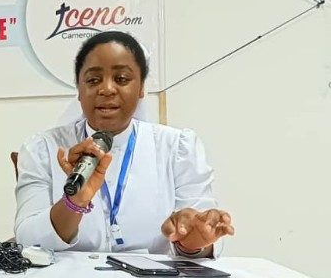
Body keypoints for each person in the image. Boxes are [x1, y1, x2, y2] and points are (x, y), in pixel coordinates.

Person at [14, 31, 234, 257]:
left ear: (141, 89)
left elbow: (200, 230)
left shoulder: (178, 148)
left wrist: (193, 237)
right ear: (79, 90)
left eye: (121, 79)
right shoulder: (44, 149)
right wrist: (73, 203)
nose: (107, 89)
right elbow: (27, 239)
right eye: (93, 80)